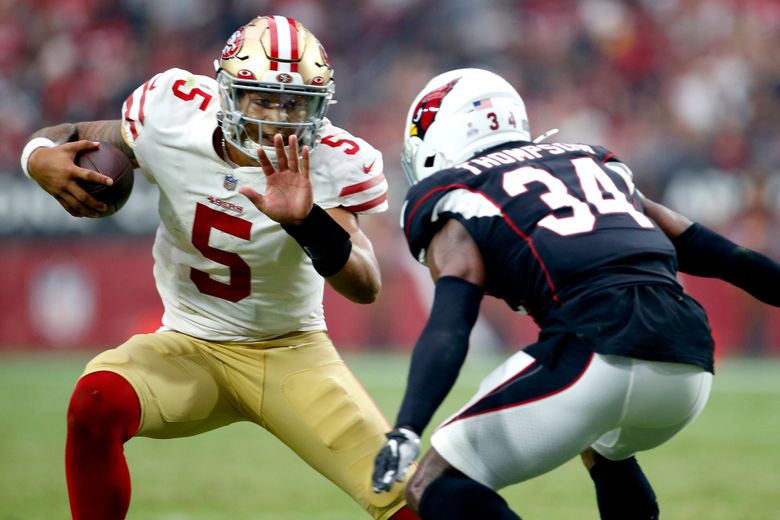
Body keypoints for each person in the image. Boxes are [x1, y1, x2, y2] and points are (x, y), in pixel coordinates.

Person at [20, 15, 418, 520]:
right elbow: (76, 135)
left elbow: (366, 285)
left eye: (295, 102)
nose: (280, 116)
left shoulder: (333, 159)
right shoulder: (171, 111)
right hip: (187, 345)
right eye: (264, 98)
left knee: (399, 494)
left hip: (290, 353)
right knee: (95, 401)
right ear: (229, 93)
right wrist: (37, 156)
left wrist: (308, 222)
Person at [370, 68, 780, 520]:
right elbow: (715, 252)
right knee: (601, 445)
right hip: (690, 363)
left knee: (433, 483)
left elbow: (451, 325)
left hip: (595, 352)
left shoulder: (458, 193)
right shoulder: (592, 163)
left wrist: (407, 426)